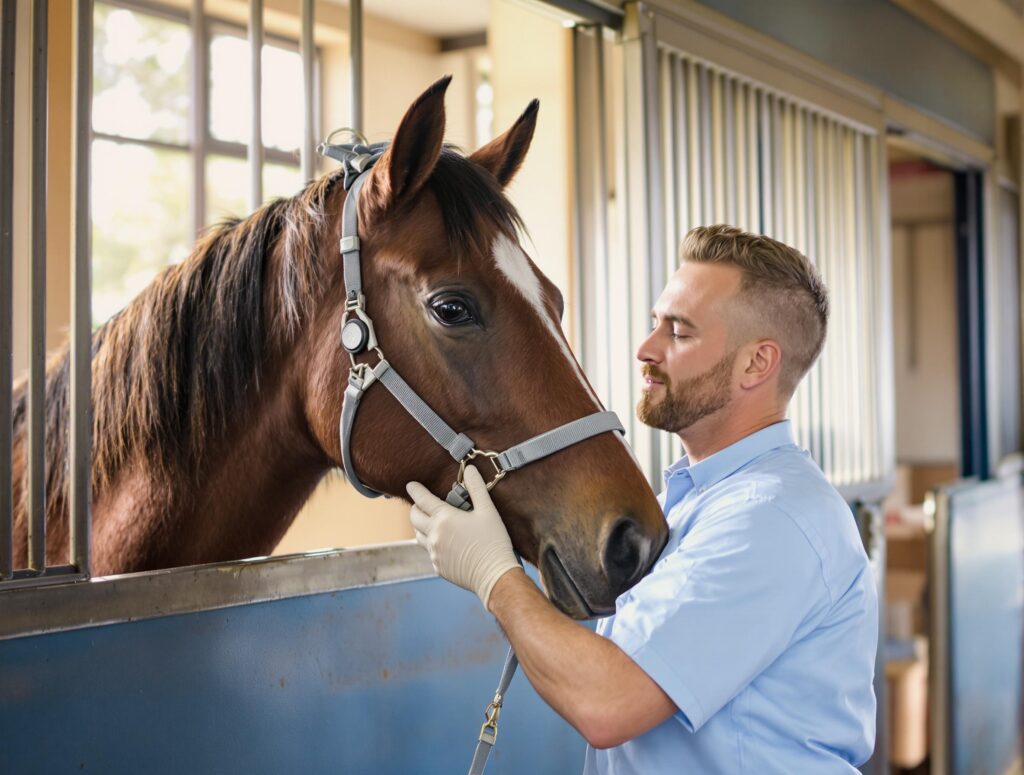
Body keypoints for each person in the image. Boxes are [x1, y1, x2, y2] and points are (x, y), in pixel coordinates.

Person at [406, 224, 878, 773]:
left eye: (679, 332)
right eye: (656, 323)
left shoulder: (772, 517)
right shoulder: (693, 501)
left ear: (757, 364)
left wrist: (494, 578)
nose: (646, 348)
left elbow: (608, 702)